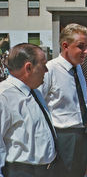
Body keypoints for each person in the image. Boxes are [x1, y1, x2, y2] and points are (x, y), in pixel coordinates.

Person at [38, 23, 87, 177]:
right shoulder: (50, 70)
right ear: (65, 46)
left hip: (82, 135)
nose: (86, 52)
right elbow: (38, 107)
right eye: (81, 47)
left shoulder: (78, 69)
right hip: (63, 138)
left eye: (86, 46)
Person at [0, 43, 56, 177]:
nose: (46, 70)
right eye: (43, 64)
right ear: (29, 67)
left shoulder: (35, 92)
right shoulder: (4, 96)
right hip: (21, 171)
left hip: (45, 170)